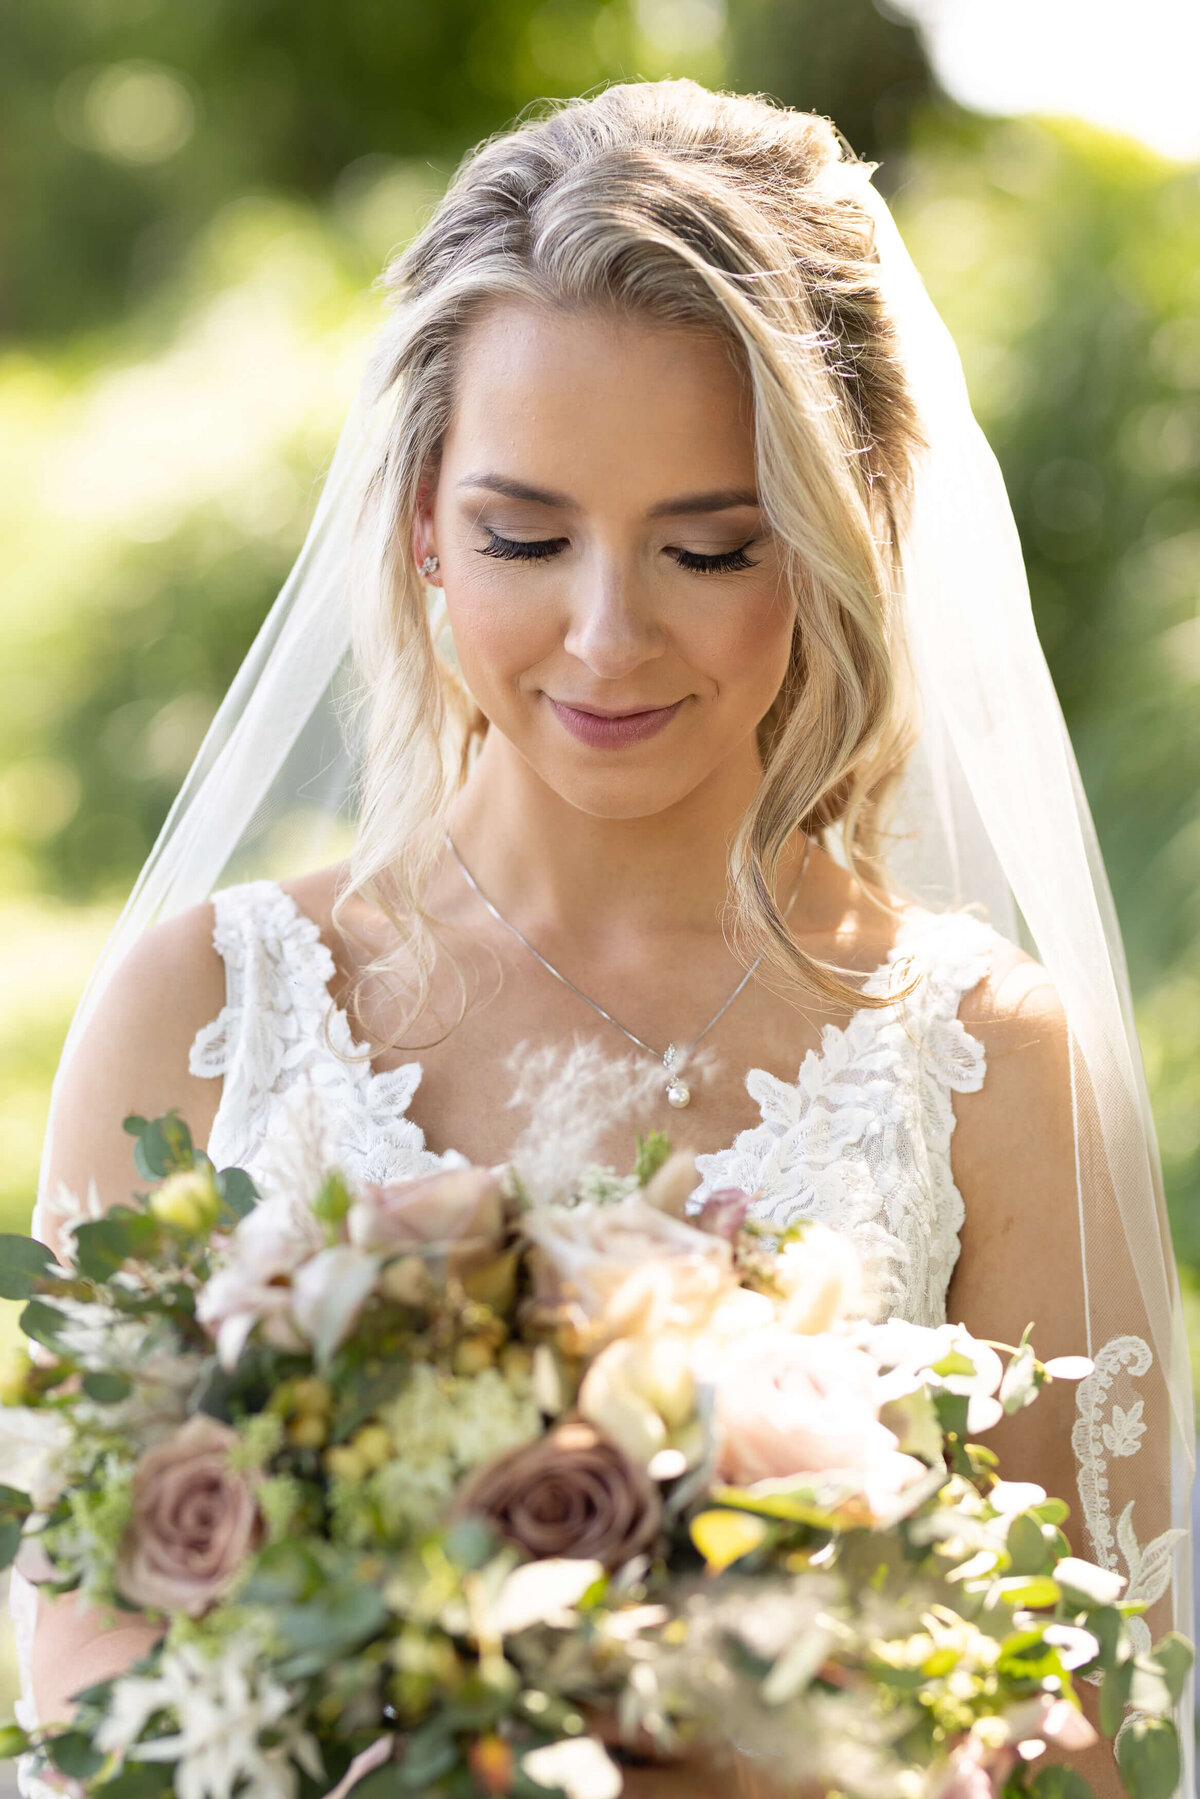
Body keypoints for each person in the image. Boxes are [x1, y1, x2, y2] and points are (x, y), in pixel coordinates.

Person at [9, 78, 1193, 1799]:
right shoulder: (206, 1009)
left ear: (841, 533)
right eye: (523, 534)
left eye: (709, 547)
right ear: (423, 521)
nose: (608, 634)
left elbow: (1093, 1739)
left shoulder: (988, 1065)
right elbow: (81, 1699)